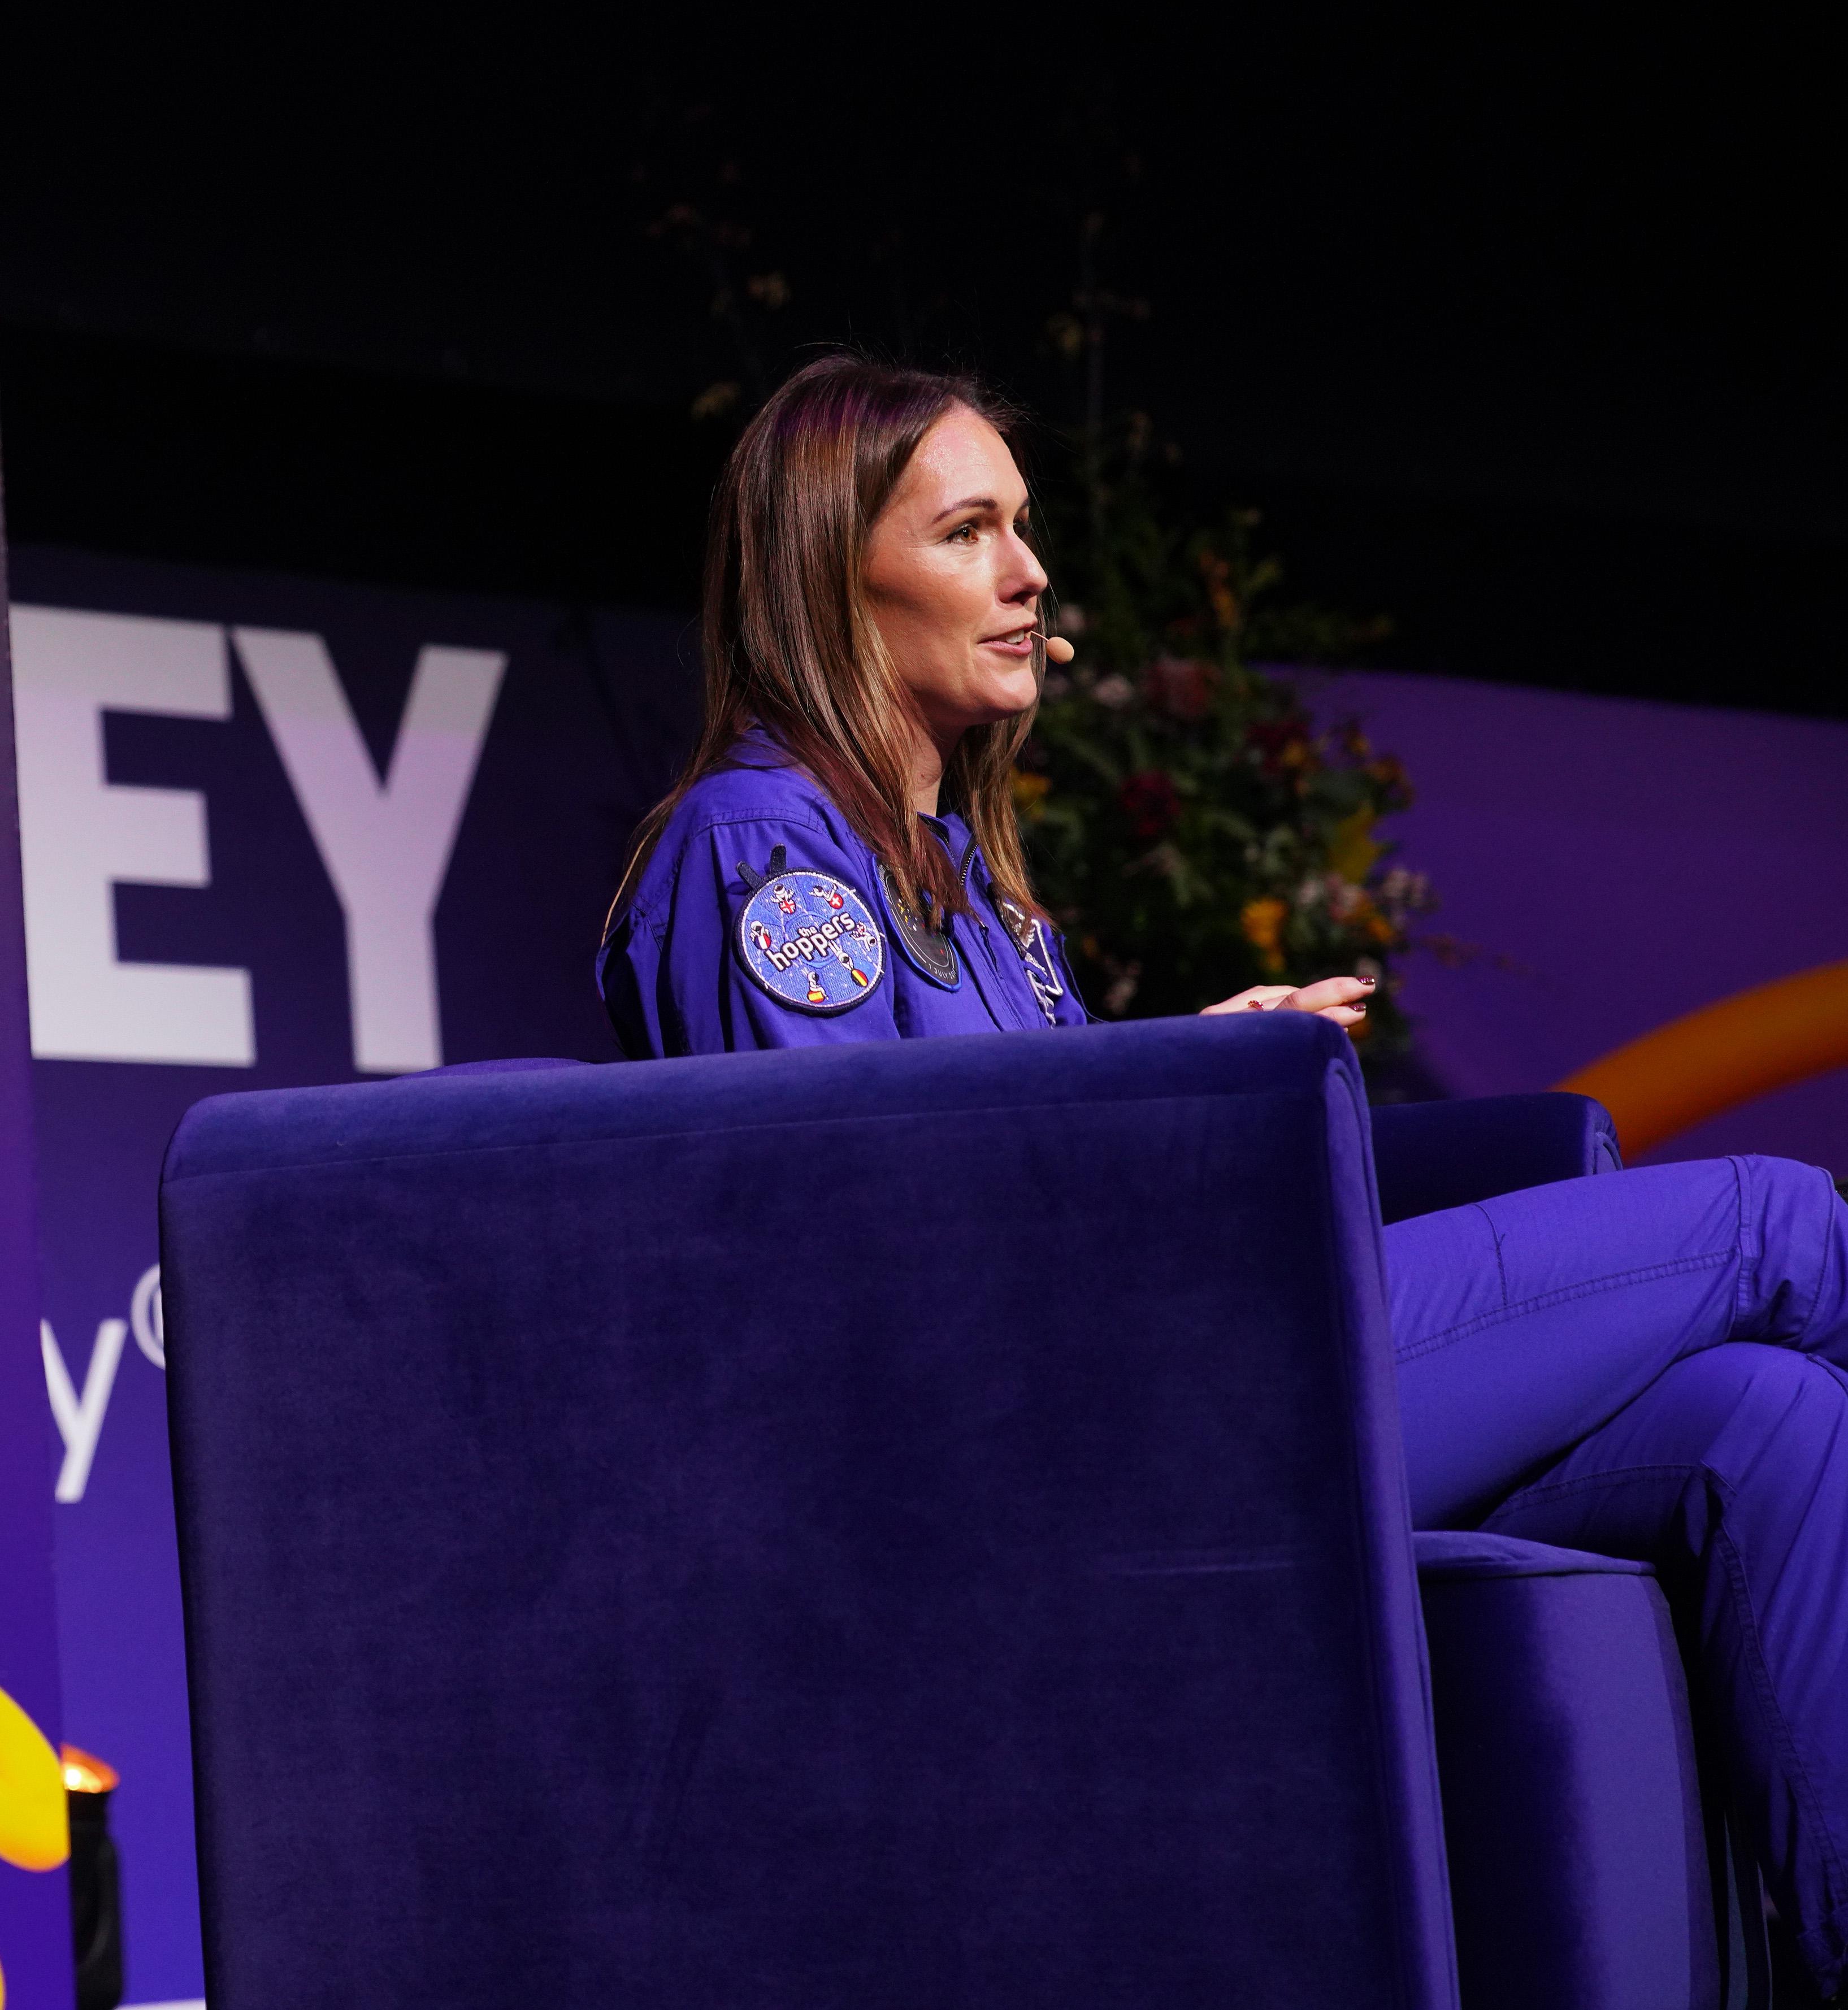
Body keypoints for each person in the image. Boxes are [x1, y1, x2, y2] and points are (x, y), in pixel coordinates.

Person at [600, 353, 1848, 1997]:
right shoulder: (761, 850)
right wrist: (1158, 1098)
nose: (1033, 575)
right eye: (970, 530)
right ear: (832, 577)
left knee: (1765, 1417)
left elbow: (1022, 1147)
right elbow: (885, 1247)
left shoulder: (972, 879)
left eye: (1022, 527)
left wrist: (1176, 1065)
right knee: (1779, 1218)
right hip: (1084, 1442)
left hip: (1154, 1394)